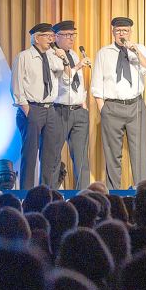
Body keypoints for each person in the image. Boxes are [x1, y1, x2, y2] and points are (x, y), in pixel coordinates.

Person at [92, 16, 146, 189]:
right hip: (112, 107)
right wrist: (103, 109)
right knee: (113, 155)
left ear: (130, 32)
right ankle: (114, 195)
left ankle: (144, 192)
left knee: (139, 153)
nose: (122, 34)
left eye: (125, 31)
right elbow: (96, 85)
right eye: (119, 31)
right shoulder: (104, 53)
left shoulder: (139, 50)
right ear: (113, 32)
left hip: (135, 106)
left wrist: (136, 51)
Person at [11, 22, 69, 189]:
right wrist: (26, 108)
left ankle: (47, 192)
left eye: (52, 36)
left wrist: (63, 58)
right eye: (48, 36)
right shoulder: (24, 57)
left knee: (50, 155)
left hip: (50, 108)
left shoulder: (52, 56)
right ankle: (26, 195)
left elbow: (66, 77)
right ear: (37, 38)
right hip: (32, 108)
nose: (52, 40)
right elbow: (16, 85)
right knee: (30, 155)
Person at [46, 20, 92, 189]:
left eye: (73, 35)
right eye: (67, 35)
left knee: (81, 157)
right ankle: (52, 193)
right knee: (54, 155)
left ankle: (85, 196)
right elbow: (63, 80)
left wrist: (84, 103)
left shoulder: (73, 54)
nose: (71, 38)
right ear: (56, 37)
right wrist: (79, 66)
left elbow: (78, 84)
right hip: (60, 110)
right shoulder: (52, 56)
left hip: (79, 111)